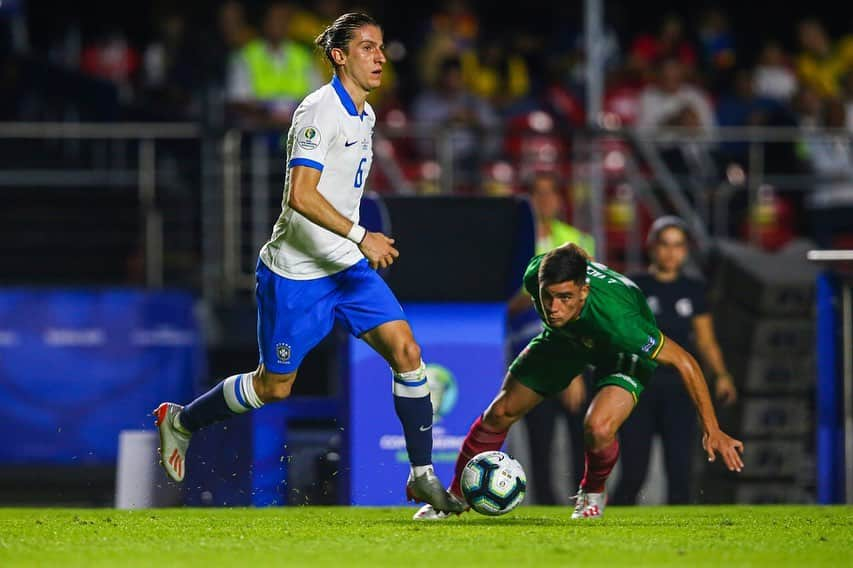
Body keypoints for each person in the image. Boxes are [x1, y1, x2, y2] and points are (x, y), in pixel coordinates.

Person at [155, 12, 463, 515]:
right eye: (367, 47)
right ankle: (182, 421)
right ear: (339, 56)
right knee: (273, 387)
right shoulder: (320, 110)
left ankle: (423, 477)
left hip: (347, 270)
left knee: (407, 353)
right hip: (296, 274)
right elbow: (302, 194)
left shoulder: (366, 114)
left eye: (381, 46)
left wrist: (353, 246)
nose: (380, 56)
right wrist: (362, 235)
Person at [414, 243, 744, 520]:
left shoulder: (621, 322)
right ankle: (454, 498)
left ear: (584, 291)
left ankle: (593, 492)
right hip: (567, 340)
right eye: (548, 298)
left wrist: (712, 428)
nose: (554, 308)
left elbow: (686, 361)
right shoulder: (536, 274)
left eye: (565, 297)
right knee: (499, 413)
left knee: (598, 428)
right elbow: (571, 252)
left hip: (619, 350)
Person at [612, 216, 737, 505]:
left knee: (680, 471)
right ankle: (608, 528)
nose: (671, 252)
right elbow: (619, 334)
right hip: (639, 388)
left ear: (685, 250)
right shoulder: (634, 286)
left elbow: (705, 340)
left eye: (678, 246)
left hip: (680, 390)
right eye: (665, 245)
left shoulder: (693, 289)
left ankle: (681, 537)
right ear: (652, 246)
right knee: (633, 472)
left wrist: (721, 374)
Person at [506, 172, 594, 503]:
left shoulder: (576, 242)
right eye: (537, 194)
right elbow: (507, 303)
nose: (544, 200)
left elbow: (584, 305)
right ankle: (542, 501)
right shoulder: (514, 240)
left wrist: (573, 370)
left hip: (571, 353)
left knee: (578, 432)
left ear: (559, 199)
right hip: (529, 352)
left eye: (550, 193)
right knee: (539, 437)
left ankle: (582, 498)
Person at [226, 2, 322, 127]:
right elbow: (237, 100)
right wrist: (269, 115)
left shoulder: (303, 56)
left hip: (298, 127)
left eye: (283, 19)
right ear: (264, 22)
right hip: (258, 129)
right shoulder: (245, 56)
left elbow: (318, 97)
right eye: (274, 19)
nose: (279, 24)